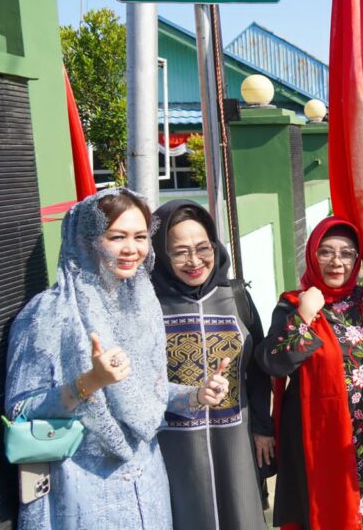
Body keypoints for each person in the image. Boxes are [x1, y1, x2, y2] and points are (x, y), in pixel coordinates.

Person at [5, 189, 229, 529]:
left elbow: (145, 393)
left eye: (140, 237)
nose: (131, 249)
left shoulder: (141, 306)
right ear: (88, 239)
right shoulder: (48, 313)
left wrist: (195, 395)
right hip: (83, 488)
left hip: (149, 483)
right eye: (116, 236)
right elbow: (21, 413)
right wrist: (89, 383)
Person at [255, 217, 363, 529]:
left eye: (347, 253)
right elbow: (273, 362)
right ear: (311, 255)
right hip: (322, 437)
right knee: (329, 513)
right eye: (326, 252)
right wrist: (305, 316)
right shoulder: (294, 305)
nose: (337, 261)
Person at [150, 200, 271, 529]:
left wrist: (262, 428)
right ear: (160, 253)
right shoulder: (148, 305)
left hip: (235, 439)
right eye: (180, 251)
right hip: (173, 446)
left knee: (241, 513)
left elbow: (258, 370)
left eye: (202, 248)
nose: (194, 261)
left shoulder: (235, 298)